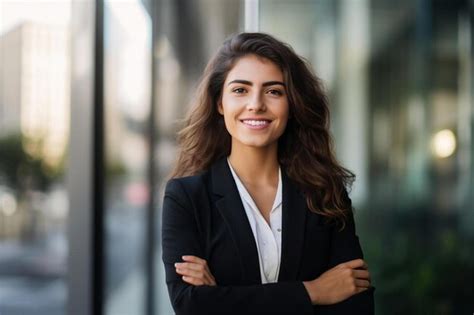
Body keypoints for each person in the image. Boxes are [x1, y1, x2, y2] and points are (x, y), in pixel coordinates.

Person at [161, 32, 374, 315]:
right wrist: (314, 291)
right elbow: (190, 306)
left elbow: (355, 303)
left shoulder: (324, 191)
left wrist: (224, 297)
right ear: (220, 103)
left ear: (292, 104)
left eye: (274, 91)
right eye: (240, 90)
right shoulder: (186, 197)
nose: (256, 104)